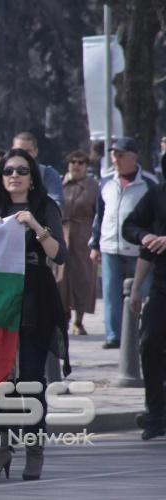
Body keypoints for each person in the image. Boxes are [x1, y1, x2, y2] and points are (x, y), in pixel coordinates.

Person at [0, 148, 69, 481]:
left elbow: (59, 254)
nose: (14, 176)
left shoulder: (45, 207)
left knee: (31, 380)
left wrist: (34, 224)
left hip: (35, 295)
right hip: (1, 298)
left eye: (21, 171)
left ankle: (34, 453)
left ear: (32, 178)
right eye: (8, 172)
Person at [89, 137, 158, 349]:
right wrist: (95, 244)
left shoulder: (149, 182)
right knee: (111, 293)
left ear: (133, 156)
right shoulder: (106, 181)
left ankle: (140, 332)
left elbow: (156, 215)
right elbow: (99, 215)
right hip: (111, 245)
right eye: (113, 155)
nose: (115, 159)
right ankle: (113, 335)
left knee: (142, 293)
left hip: (141, 249)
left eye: (120, 155)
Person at [124, 179, 166, 441]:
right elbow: (129, 227)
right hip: (161, 287)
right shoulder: (158, 194)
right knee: (149, 342)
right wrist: (145, 236)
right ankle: (156, 414)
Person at [58, 151, 98, 336]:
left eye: (81, 162)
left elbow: (99, 213)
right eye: (72, 161)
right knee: (61, 277)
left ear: (86, 166)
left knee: (83, 277)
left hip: (83, 235)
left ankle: (79, 320)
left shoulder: (93, 186)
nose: (76, 165)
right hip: (62, 233)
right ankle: (63, 317)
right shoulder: (59, 184)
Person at [12, 131, 64, 209]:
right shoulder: (4, 174)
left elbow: (57, 204)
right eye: (19, 151)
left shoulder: (47, 174)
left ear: (35, 152)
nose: (23, 155)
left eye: (27, 151)